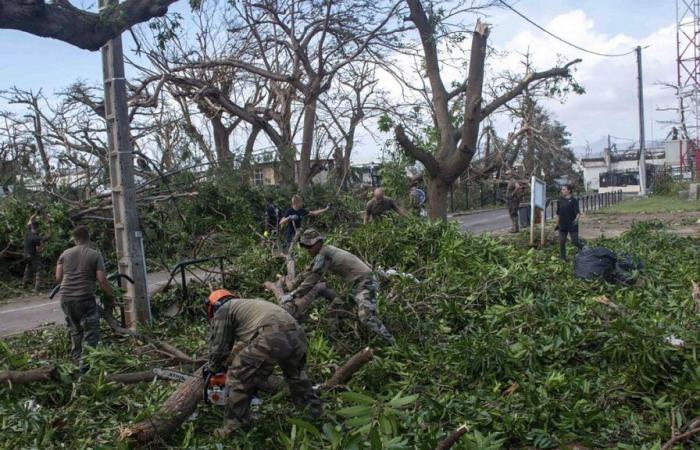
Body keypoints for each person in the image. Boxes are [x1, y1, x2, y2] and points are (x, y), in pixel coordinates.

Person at [205, 290, 322, 437]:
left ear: (212, 306)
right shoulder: (248, 305)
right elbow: (247, 341)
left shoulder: (223, 310)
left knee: (238, 378)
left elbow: (219, 348)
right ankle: (314, 414)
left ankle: (234, 430)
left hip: (271, 336)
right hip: (297, 334)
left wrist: (214, 368)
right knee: (296, 378)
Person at [282, 229, 396, 345]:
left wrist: (293, 295)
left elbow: (312, 280)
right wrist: (294, 282)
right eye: (305, 247)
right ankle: (334, 344)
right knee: (334, 310)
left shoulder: (324, 254)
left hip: (366, 282)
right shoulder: (323, 253)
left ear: (319, 242)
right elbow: (309, 271)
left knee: (366, 317)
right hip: (353, 285)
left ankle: (392, 343)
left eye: (310, 246)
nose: (308, 250)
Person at [55, 226, 114, 369]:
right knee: (91, 333)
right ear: (89, 238)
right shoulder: (95, 254)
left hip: (66, 298)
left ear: (75, 240)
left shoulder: (64, 254)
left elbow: (58, 278)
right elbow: (102, 280)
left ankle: (75, 363)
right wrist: (111, 295)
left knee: (75, 330)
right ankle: (85, 369)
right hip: (84, 299)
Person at [555, 184, 584, 260]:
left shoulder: (574, 201)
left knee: (575, 242)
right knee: (562, 242)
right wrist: (557, 224)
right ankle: (563, 259)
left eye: (564, 189)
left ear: (569, 191)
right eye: (562, 189)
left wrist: (576, 220)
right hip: (562, 225)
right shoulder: (560, 200)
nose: (562, 191)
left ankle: (585, 249)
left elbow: (578, 213)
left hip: (572, 224)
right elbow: (558, 213)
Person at [22, 212, 43, 292]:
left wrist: (36, 212)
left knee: (28, 268)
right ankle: (37, 289)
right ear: (37, 228)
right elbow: (38, 250)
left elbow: (30, 219)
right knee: (39, 269)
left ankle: (24, 285)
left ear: (31, 227)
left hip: (25, 255)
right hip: (33, 255)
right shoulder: (36, 238)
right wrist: (42, 245)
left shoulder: (28, 232)